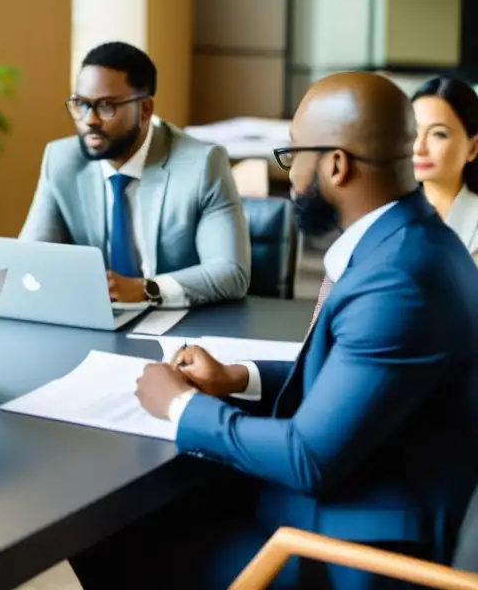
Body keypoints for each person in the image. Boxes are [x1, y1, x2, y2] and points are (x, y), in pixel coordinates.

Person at [73, 72, 478, 589]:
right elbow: (354, 370)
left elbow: (307, 458)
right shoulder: (411, 241)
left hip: (350, 551)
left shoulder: (399, 280)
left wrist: (179, 406)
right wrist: (236, 378)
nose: (291, 174)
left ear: (336, 164)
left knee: (109, 541)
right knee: (145, 516)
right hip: (361, 491)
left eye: (293, 155)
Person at [20, 41, 250, 307]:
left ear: (145, 110)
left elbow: (232, 273)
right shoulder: (61, 161)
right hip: (97, 322)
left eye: (106, 106)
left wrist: (145, 289)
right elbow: (30, 260)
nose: (90, 120)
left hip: (180, 326)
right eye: (80, 104)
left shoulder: (202, 165)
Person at [411, 75, 478, 259]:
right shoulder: (386, 211)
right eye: (412, 132)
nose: (419, 147)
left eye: (438, 134)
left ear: (472, 147)